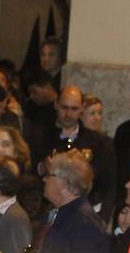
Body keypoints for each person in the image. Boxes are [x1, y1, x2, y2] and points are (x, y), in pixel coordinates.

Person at [25, 150, 109, 253]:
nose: (44, 179)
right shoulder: (53, 214)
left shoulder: (85, 226)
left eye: (49, 175)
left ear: (65, 183)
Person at [39, 85, 116, 220]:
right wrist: (42, 167)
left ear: (82, 108)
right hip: (48, 210)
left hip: (85, 212)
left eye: (74, 109)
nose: (68, 114)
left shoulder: (98, 142)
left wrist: (103, 216)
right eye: (64, 107)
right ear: (56, 104)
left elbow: (109, 183)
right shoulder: (41, 135)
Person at [0, 124, 42, 222]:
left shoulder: (29, 184)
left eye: (6, 145)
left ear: (16, 151)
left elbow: (25, 221)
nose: (0, 150)